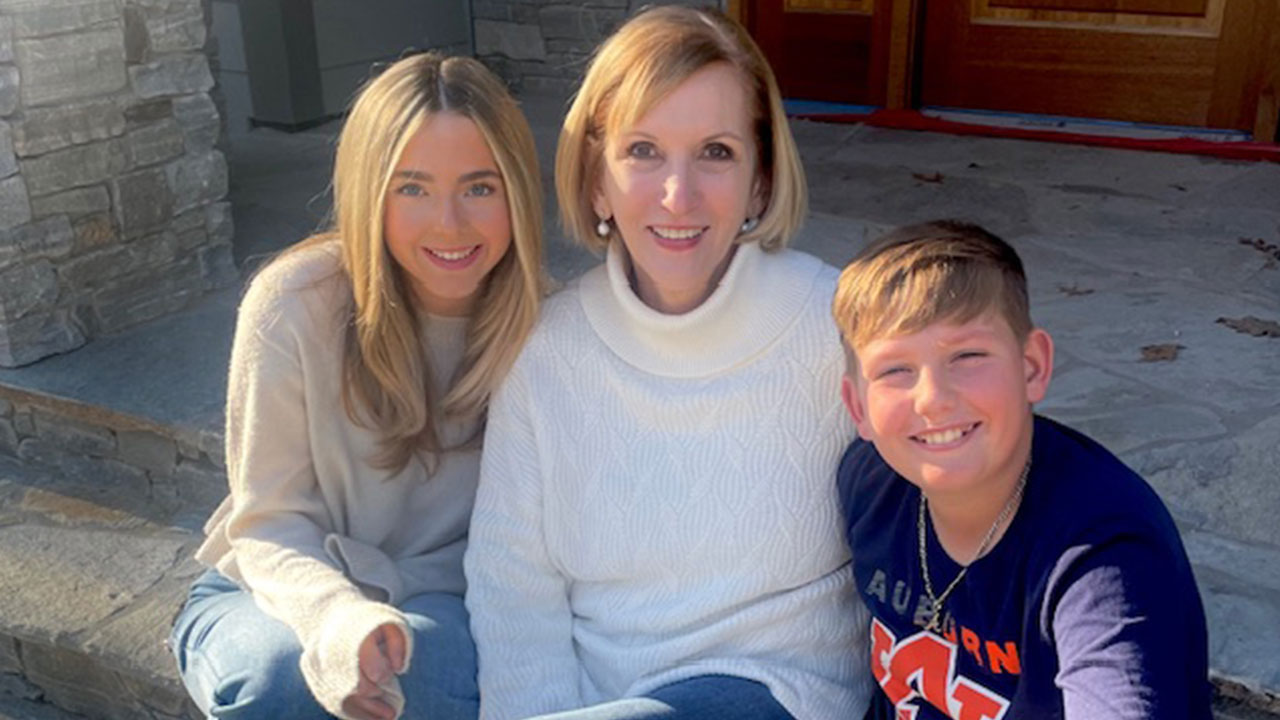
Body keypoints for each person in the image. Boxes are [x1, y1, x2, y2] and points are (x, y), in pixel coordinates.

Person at [463, 6, 873, 720]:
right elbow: (512, 587)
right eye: (643, 151)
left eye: (715, 152)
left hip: (777, 688)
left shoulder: (839, 324)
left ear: (761, 180)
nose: (677, 195)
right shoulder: (546, 351)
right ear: (596, 181)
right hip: (597, 702)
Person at [168, 53, 544, 720]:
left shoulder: (548, 327)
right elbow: (269, 522)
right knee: (281, 679)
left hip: (445, 600)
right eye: (413, 188)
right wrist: (336, 618)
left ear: (517, 190)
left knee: (426, 678)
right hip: (278, 586)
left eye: (480, 188)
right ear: (369, 191)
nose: (449, 224)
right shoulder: (294, 303)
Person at [832, 220, 1212, 719]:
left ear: (1032, 366)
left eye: (967, 355)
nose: (933, 399)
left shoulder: (1101, 553)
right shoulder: (870, 483)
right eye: (894, 370)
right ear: (857, 407)